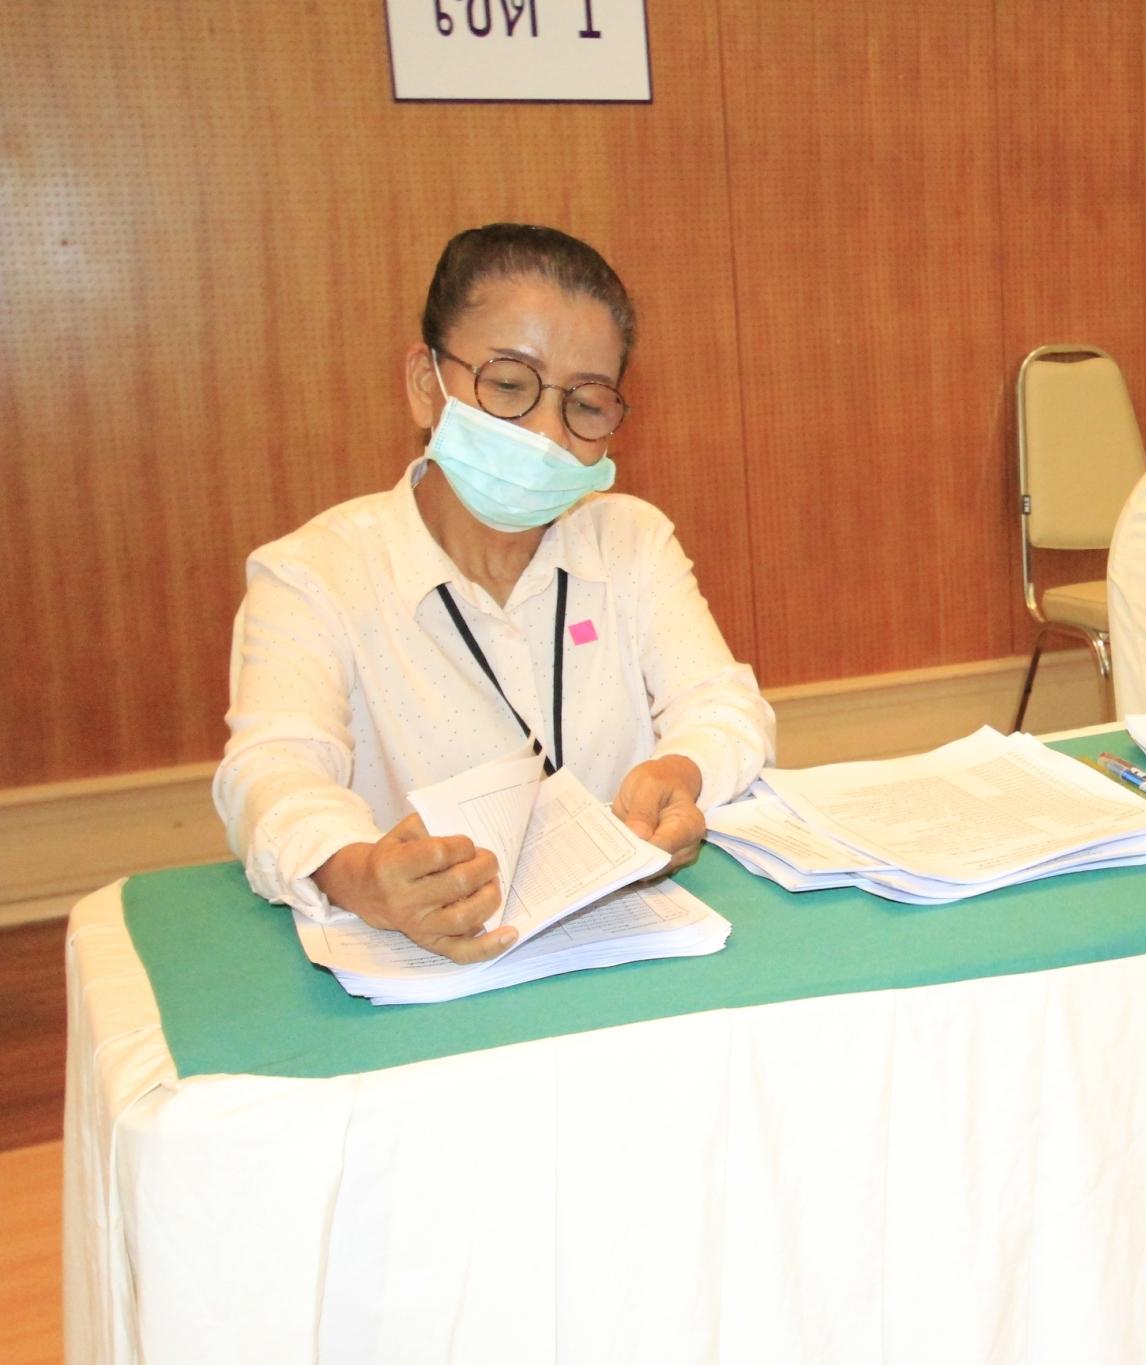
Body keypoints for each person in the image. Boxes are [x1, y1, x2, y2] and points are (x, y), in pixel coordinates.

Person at [215, 224, 774, 963]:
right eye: (510, 386)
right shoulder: (315, 574)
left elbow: (725, 708)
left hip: (625, 943)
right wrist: (362, 877)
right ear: (426, 386)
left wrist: (681, 773)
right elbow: (272, 771)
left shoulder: (630, 542)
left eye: (586, 404)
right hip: (432, 966)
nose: (545, 433)